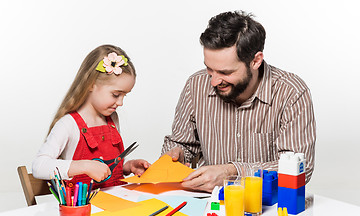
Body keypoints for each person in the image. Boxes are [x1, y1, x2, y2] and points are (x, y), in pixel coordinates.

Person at [162, 11, 316, 193]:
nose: (213, 82)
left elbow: (300, 169)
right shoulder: (195, 85)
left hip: (268, 206)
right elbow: (184, 144)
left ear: (256, 61)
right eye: (209, 69)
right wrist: (176, 153)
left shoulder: (291, 91)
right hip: (209, 203)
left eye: (226, 73)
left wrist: (232, 172)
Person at [32, 44, 150, 191]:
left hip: (117, 205)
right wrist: (84, 166)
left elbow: (110, 170)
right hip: (86, 210)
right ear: (91, 85)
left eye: (124, 95)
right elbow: (39, 166)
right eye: (116, 95)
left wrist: (126, 167)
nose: (120, 102)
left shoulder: (112, 119)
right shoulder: (68, 125)